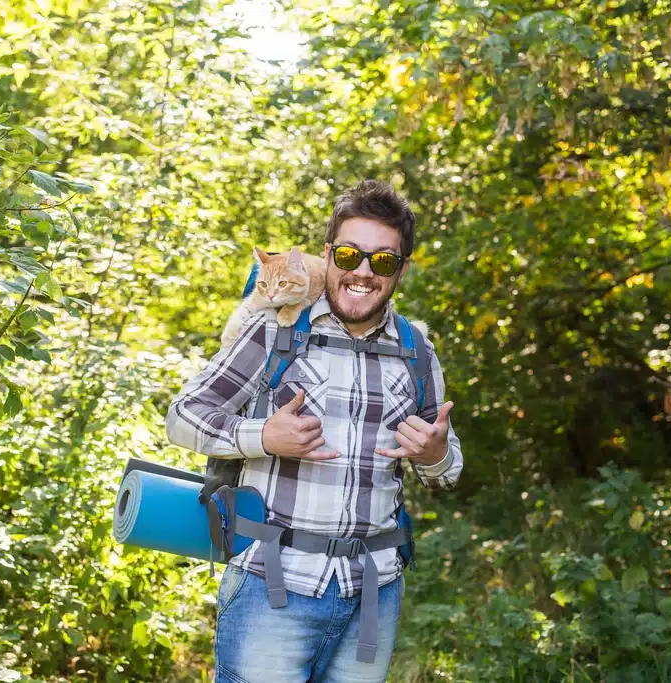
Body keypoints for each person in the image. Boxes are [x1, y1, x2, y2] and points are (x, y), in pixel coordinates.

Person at [165, 180, 464, 683]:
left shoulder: (417, 351)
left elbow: (445, 471)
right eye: (349, 254)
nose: (364, 272)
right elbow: (184, 415)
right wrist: (262, 436)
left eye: (384, 261)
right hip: (270, 586)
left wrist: (434, 454)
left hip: (374, 594)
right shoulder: (275, 331)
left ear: (401, 270)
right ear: (328, 254)